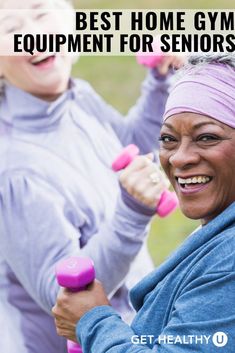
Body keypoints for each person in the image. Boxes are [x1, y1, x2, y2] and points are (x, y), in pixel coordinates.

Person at [0, 1, 184, 352]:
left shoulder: (75, 96)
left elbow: (132, 148)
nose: (32, 34)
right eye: (11, 30)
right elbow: (65, 297)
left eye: (40, 14)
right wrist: (131, 215)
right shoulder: (15, 171)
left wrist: (160, 81)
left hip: (123, 331)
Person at [52, 54, 235, 353]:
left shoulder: (229, 259)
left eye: (206, 137)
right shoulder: (217, 234)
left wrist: (93, 322)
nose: (178, 157)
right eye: (168, 139)